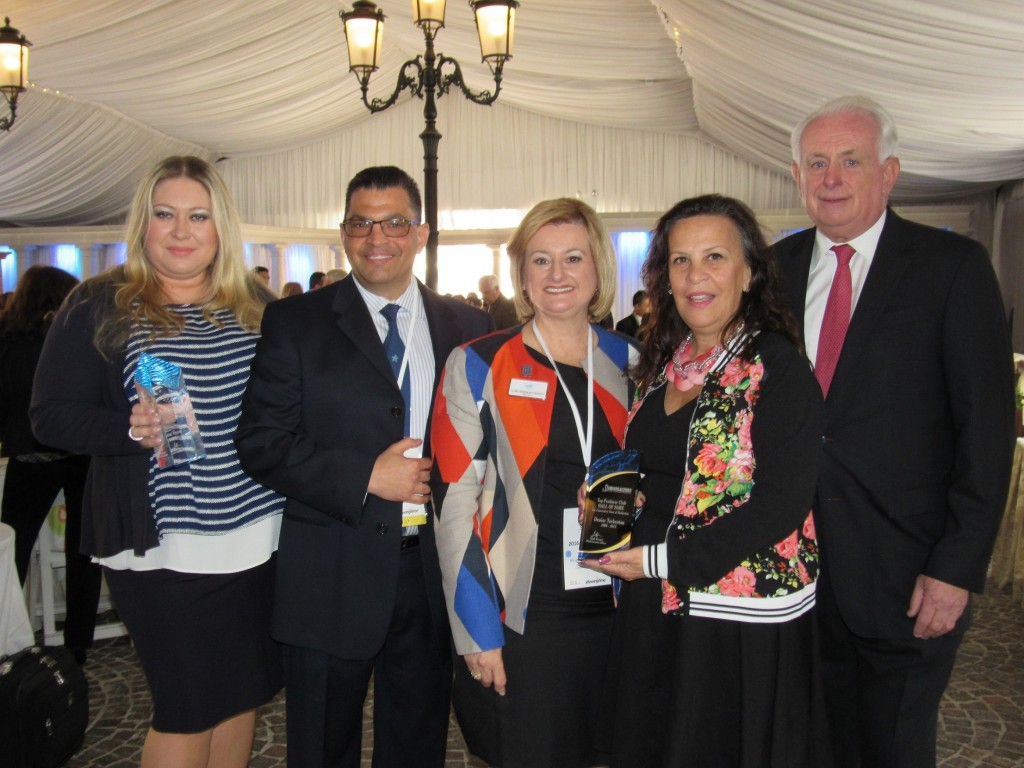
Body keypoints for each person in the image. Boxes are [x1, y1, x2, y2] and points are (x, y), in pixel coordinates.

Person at [776, 95, 1015, 768]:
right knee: (812, 746)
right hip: (793, 581)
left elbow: (987, 435)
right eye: (817, 162)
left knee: (895, 748)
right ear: (796, 176)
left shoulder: (953, 269)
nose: (832, 178)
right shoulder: (773, 271)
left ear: (889, 172)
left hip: (908, 579)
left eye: (851, 160)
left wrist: (955, 568)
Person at [234, 165, 492, 768]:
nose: (378, 237)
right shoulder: (295, 322)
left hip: (431, 571)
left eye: (395, 222)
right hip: (331, 571)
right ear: (343, 234)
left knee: (417, 740)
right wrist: (363, 477)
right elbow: (260, 441)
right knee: (322, 744)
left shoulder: (468, 326)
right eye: (361, 223)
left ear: (422, 233)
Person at [30, 155, 284, 768]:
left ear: (220, 227)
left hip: (258, 536)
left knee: (240, 696)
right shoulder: (101, 302)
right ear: (142, 224)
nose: (180, 231)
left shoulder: (254, 303)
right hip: (161, 546)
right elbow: (49, 414)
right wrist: (127, 426)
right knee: (187, 706)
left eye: (198, 216)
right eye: (164, 214)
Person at [583, 194, 830, 767]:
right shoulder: (662, 364)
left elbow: (781, 505)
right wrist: (614, 499)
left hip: (734, 614)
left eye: (715, 257)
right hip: (658, 598)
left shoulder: (776, 367)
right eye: (680, 260)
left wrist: (658, 561)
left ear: (748, 273)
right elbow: (664, 470)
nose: (696, 276)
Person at [432, 198, 640, 768]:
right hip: (525, 614)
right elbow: (451, 506)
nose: (557, 275)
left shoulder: (634, 363)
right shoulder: (477, 363)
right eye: (540, 260)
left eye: (573, 257)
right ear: (521, 273)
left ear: (598, 267)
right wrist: (477, 630)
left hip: (621, 603)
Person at [0, 265, 102, 663]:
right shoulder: (79, 338)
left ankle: (11, 640)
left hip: (27, 453)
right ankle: (78, 643)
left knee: (12, 552)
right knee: (84, 552)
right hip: (80, 454)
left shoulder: (7, 340)